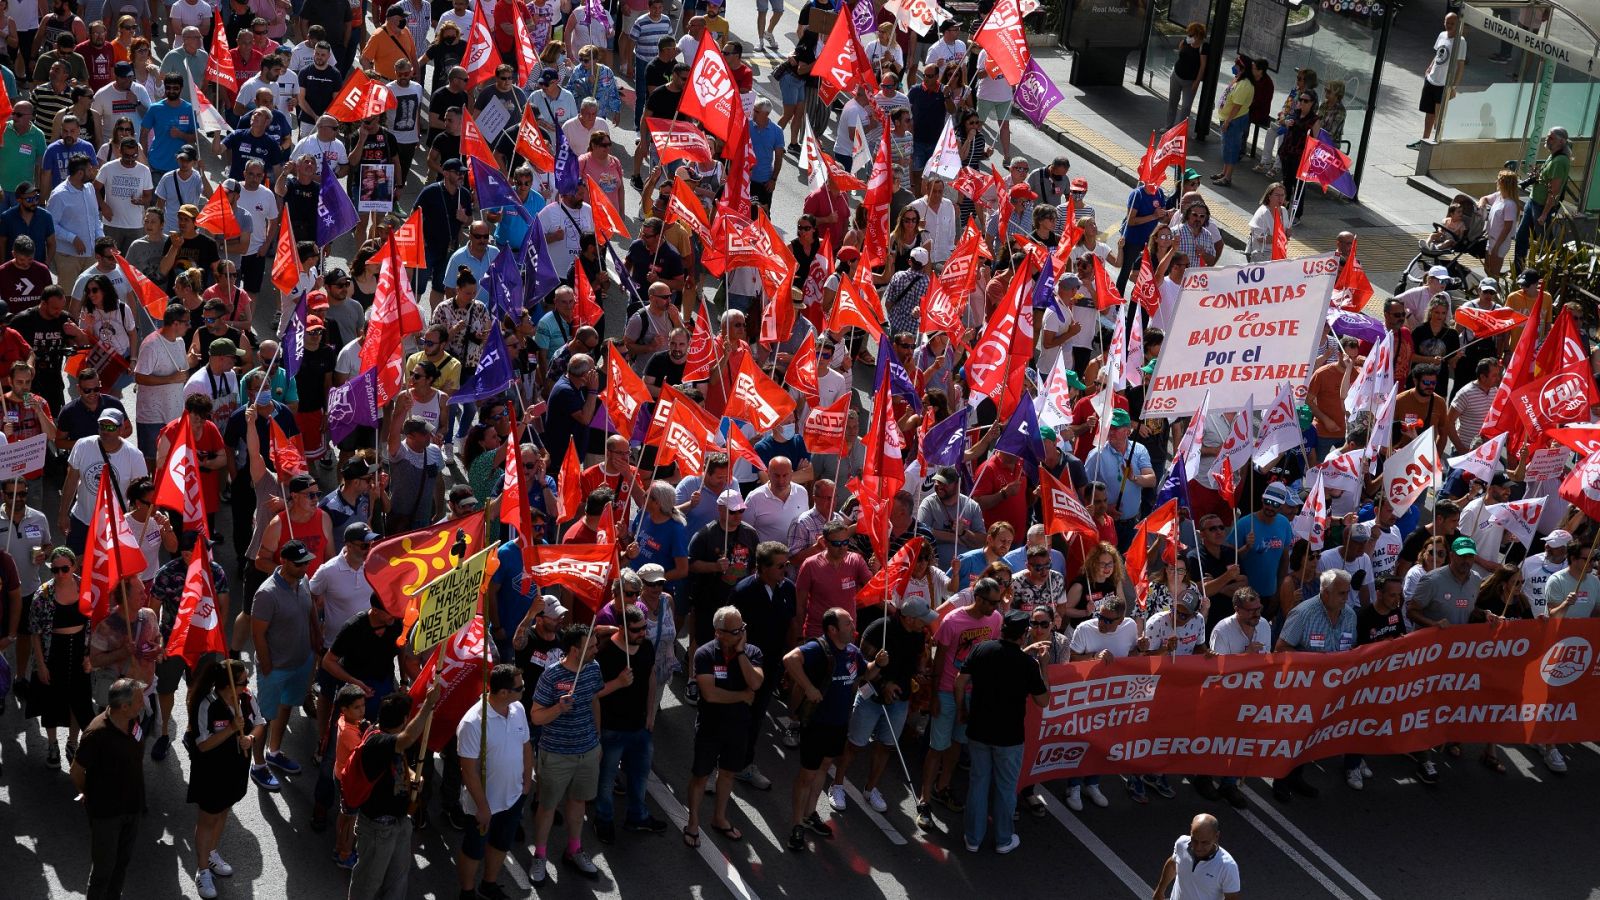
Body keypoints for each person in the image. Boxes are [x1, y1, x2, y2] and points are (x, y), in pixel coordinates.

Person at [783, 606, 882, 851]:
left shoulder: (852, 652)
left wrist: (878, 664)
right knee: (807, 774)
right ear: (832, 629)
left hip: (839, 724)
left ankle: (810, 814)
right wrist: (808, 687)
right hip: (816, 724)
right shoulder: (818, 649)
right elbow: (789, 659)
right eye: (848, 623)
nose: (853, 626)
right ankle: (797, 824)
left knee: (824, 768)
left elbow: (865, 674)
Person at [828, 598, 934, 814]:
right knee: (855, 744)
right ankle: (837, 785)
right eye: (922, 620)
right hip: (871, 697)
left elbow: (915, 661)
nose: (926, 624)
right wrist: (884, 684)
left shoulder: (918, 634)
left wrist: (920, 672)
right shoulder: (878, 629)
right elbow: (860, 665)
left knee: (886, 746)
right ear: (909, 618)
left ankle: (871, 789)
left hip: (900, 700)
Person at [527, 623, 614, 884]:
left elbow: (594, 701)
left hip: (587, 751)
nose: (597, 649)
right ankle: (540, 856)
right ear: (576, 649)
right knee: (548, 807)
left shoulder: (593, 669)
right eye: (592, 645)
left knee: (578, 804)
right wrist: (557, 709)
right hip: (556, 755)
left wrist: (596, 740)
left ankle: (574, 850)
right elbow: (536, 716)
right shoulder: (551, 676)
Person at [957, 609, 1048, 853]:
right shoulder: (1028, 664)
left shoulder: (981, 649)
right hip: (1009, 737)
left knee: (978, 784)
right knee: (1006, 788)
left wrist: (961, 710)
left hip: (978, 730)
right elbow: (1043, 700)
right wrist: (1044, 667)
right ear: (1023, 636)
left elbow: (959, 681)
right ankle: (1003, 839)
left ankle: (973, 839)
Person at [916, 576, 1002, 829]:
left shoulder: (995, 620)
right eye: (991, 603)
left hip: (973, 694)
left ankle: (943, 787)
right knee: (937, 747)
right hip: (945, 691)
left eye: (997, 603)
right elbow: (939, 659)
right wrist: (933, 696)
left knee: (957, 743)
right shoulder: (953, 621)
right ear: (977, 598)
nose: (995, 609)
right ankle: (925, 799)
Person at [346, 684, 441, 900]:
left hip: (399, 821)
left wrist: (411, 775)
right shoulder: (379, 741)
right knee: (368, 885)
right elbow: (406, 740)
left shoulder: (384, 736)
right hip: (378, 829)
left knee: (397, 880)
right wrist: (428, 705)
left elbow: (395, 762)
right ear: (405, 719)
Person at [1273, 568, 1359, 801]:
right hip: (1302, 687)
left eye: (1347, 593)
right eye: (1341, 593)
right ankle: (1280, 779)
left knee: (1310, 735)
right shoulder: (1302, 614)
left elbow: (1351, 649)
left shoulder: (1350, 615)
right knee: (1292, 734)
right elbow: (1280, 649)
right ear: (1325, 593)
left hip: (1332, 690)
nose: (1346, 598)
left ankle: (1296, 775)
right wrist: (1315, 662)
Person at [684, 605, 764, 848]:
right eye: (735, 630)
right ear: (719, 632)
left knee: (728, 773)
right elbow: (710, 694)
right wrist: (741, 696)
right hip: (710, 726)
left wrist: (740, 655)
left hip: (738, 726)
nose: (741, 633)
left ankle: (719, 817)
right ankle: (693, 822)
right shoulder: (705, 654)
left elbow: (756, 683)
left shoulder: (751, 652)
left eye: (742, 628)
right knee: (701, 776)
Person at [186, 658, 264, 900]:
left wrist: (250, 738)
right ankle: (202, 870)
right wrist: (231, 730)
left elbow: (260, 723)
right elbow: (203, 745)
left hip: (235, 770)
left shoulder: (247, 698)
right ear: (226, 685)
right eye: (243, 682)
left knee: (223, 812)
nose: (246, 686)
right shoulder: (206, 704)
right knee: (208, 818)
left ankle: (211, 852)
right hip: (211, 773)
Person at [455, 663, 532, 900]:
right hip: (483, 805)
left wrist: (527, 783)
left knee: (500, 844)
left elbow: (526, 747)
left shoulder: (517, 708)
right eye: (520, 688)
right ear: (503, 693)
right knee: (474, 849)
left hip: (513, 796)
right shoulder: (473, 723)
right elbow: (468, 770)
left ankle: (489, 884)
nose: (524, 691)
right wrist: (483, 807)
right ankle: (467, 892)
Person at [248, 540, 320, 792]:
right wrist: (267, 666)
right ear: (284, 562)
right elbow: (257, 634)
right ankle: (258, 766)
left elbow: (310, 610)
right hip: (275, 668)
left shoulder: (303, 580)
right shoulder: (266, 594)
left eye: (306, 562)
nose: (305, 567)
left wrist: (316, 638)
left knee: (286, 706)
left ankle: (274, 752)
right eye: (300, 563)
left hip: (300, 662)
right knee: (264, 717)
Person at [593, 604, 666, 843]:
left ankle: (638, 816)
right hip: (612, 729)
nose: (642, 633)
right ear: (622, 628)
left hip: (640, 727)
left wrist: (650, 714)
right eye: (636, 629)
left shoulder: (645, 647)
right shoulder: (604, 652)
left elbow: (652, 676)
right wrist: (617, 683)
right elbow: (592, 693)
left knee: (639, 776)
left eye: (644, 628)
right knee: (606, 781)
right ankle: (603, 820)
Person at [72, 677, 148, 900]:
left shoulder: (133, 720)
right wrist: (88, 792)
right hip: (107, 813)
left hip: (132, 806)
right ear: (124, 707)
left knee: (121, 864)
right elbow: (76, 771)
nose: (142, 704)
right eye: (139, 701)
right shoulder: (96, 733)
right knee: (103, 871)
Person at [1152, 813, 1242, 900]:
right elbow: (1173, 864)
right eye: (1194, 840)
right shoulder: (1181, 843)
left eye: (1204, 842)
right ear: (1190, 831)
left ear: (1216, 836)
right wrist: (1160, 890)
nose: (1198, 847)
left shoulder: (1227, 866)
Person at [1412, 12, 1466, 148]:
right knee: (1429, 114)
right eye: (1447, 22)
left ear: (1458, 24)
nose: (1449, 25)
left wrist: (1454, 87)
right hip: (1431, 80)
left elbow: (1460, 66)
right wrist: (1429, 68)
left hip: (1444, 84)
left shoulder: (1461, 42)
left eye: (1452, 23)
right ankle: (1424, 140)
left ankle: (1436, 143)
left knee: (1439, 117)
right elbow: (1438, 54)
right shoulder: (1442, 35)